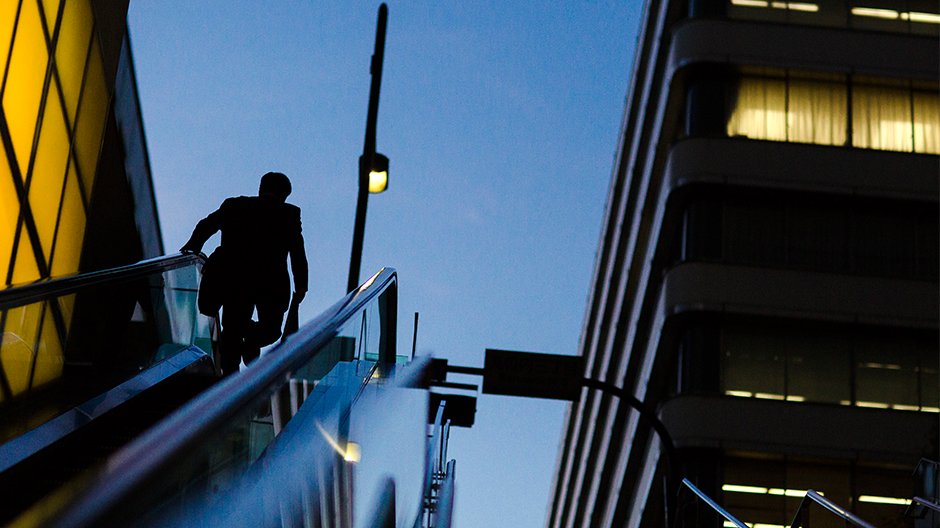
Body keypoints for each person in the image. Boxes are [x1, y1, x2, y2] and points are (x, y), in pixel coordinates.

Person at [181, 172, 308, 376]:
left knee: (232, 329)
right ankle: (249, 342)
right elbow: (297, 252)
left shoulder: (235, 205)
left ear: (260, 188)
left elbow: (207, 225)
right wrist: (301, 285)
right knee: (271, 330)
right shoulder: (288, 215)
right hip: (269, 282)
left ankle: (230, 376)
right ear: (284, 195)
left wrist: (192, 247)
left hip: (233, 278)